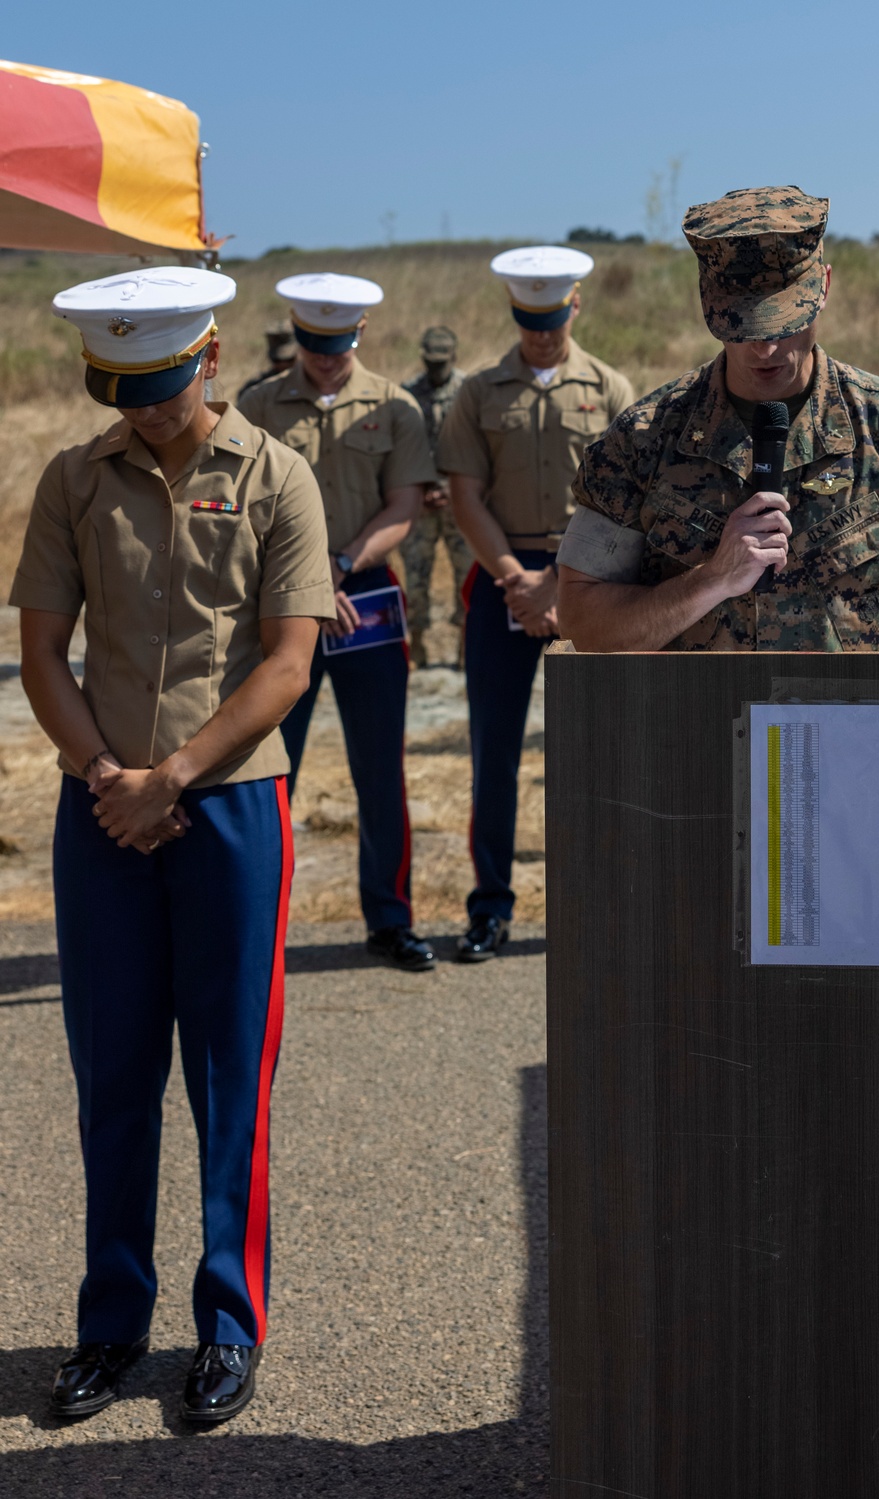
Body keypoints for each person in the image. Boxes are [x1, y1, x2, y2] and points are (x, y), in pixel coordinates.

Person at [10, 267, 334, 1423]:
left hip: (232, 807)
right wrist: (110, 779)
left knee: (228, 1077)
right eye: (122, 388)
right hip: (100, 812)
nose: (143, 409)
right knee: (112, 1075)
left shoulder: (279, 475)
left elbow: (289, 662)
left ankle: (227, 1323)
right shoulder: (72, 479)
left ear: (207, 357)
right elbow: (44, 649)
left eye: (160, 385)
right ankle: (111, 1323)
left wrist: (173, 779)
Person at [556, 186, 879, 656]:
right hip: (689, 726)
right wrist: (712, 580)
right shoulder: (640, 442)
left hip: (847, 728)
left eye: (783, 320)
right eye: (741, 323)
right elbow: (583, 626)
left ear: (823, 287)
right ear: (708, 302)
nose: (764, 348)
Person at [437, 247, 634, 959]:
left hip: (593, 576)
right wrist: (520, 580)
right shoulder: (479, 391)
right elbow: (466, 495)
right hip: (504, 580)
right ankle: (490, 905)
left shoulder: (610, 388)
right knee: (495, 754)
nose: (541, 334)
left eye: (551, 318)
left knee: (604, 751)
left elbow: (621, 503)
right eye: (529, 319)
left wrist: (561, 582)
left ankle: (603, 903)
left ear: (574, 306)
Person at [239, 273, 439, 972]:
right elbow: (244, 506)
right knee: (267, 768)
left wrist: (341, 563)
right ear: (295, 334)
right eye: (311, 342)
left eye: (337, 343)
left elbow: (405, 507)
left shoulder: (395, 406)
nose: (324, 357)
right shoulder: (257, 404)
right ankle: (254, 924)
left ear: (359, 334)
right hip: (280, 603)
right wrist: (307, 577)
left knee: (380, 768)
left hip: (365, 600)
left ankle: (390, 919)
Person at [400, 326, 471, 668]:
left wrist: (450, 487)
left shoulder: (469, 392)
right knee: (416, 575)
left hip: (461, 502)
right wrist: (423, 487)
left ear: (453, 358)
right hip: (420, 501)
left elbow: (476, 449)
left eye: (442, 363)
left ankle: (463, 647)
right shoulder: (407, 394)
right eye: (431, 362)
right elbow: (402, 449)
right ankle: (417, 645)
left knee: (467, 575)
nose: (436, 369)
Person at [237, 326, 298, 400]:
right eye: (276, 360)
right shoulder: (254, 389)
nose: (283, 365)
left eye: (289, 359)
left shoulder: (311, 384)